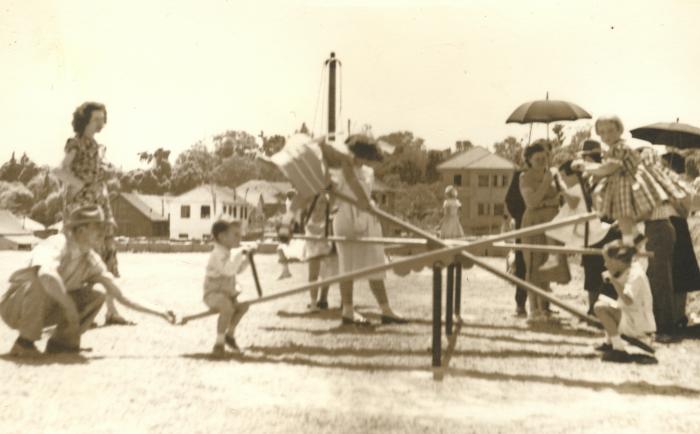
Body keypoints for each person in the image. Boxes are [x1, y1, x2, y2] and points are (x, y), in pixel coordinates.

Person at [0, 206, 175, 357]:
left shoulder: (90, 259)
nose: (103, 232)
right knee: (42, 280)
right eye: (98, 227)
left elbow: (120, 295)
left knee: (97, 295)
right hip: (15, 308)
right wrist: (68, 306)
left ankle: (62, 344)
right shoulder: (56, 243)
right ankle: (24, 344)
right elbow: (46, 274)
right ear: (81, 230)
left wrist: (161, 311)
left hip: (47, 308)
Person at [53, 101, 131, 326]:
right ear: (84, 120)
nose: (101, 122)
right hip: (84, 208)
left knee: (106, 253)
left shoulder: (96, 146)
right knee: (83, 256)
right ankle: (79, 311)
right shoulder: (75, 143)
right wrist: (80, 185)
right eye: (96, 118)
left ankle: (111, 311)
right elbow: (60, 170)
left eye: (102, 118)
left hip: (99, 205)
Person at [319, 134, 406, 326]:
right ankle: (348, 311)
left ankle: (386, 310)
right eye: (363, 157)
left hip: (367, 218)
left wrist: (367, 204)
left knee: (376, 263)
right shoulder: (339, 170)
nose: (365, 162)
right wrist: (332, 192)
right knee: (347, 266)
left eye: (368, 159)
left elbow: (363, 191)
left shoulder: (368, 172)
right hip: (345, 218)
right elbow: (337, 196)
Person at [574, 115, 680, 247]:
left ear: (619, 130)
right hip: (622, 183)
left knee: (622, 212)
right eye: (602, 132)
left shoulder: (620, 147)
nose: (606, 135)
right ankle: (633, 236)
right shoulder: (613, 148)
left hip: (627, 183)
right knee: (622, 213)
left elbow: (609, 167)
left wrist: (587, 167)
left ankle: (630, 240)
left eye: (611, 130)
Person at [519, 140, 570, 322]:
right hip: (534, 224)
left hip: (552, 224)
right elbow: (531, 202)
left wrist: (559, 188)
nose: (542, 161)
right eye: (537, 158)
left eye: (544, 157)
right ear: (529, 160)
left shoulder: (553, 174)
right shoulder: (525, 177)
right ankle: (533, 310)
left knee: (548, 266)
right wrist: (545, 186)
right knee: (533, 264)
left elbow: (564, 197)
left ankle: (545, 308)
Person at [594, 241, 656, 362]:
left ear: (618, 260)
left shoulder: (636, 274)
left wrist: (613, 279)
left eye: (608, 261)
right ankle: (610, 342)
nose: (605, 265)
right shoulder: (630, 269)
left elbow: (627, 300)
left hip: (638, 324)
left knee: (599, 307)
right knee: (604, 300)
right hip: (632, 317)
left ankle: (619, 350)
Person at [202, 220, 252, 357]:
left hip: (227, 293)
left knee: (244, 305)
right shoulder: (218, 253)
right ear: (222, 237)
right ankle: (219, 343)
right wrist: (239, 255)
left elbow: (237, 270)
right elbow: (229, 271)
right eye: (235, 234)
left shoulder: (226, 252)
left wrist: (247, 259)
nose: (240, 237)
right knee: (227, 307)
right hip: (213, 294)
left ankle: (230, 335)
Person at [302, 194, 337, 312]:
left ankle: (323, 299)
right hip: (312, 248)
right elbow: (311, 229)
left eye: (325, 202)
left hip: (325, 248)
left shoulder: (329, 218)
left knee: (326, 276)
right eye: (320, 202)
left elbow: (330, 234)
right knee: (313, 275)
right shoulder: (308, 215)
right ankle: (313, 302)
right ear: (315, 202)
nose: (323, 205)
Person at [504, 167, 528, 317]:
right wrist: (522, 217)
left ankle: (543, 305)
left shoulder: (548, 173)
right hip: (524, 224)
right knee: (522, 266)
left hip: (543, 223)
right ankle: (520, 304)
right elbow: (510, 199)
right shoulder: (520, 174)